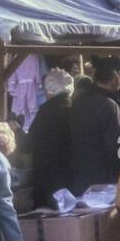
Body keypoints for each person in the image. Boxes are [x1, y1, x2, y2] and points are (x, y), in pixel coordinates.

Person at [67, 56, 120, 194]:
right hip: (103, 183)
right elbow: (119, 150)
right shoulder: (110, 106)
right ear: (115, 76)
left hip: (77, 178)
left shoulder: (77, 102)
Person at [29, 69, 75, 207]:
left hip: (48, 178)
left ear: (49, 90)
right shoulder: (75, 107)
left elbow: (29, 143)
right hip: (73, 175)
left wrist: (17, 131)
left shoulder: (46, 111)